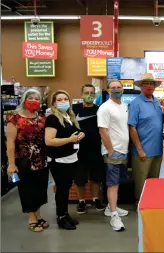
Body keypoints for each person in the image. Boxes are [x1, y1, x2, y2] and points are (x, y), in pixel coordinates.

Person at [6, 89, 49, 232]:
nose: (34, 100)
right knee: (27, 190)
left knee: (40, 189)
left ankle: (38, 215)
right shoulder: (15, 119)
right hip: (23, 161)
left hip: (41, 160)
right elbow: (10, 143)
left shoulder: (42, 118)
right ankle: (32, 218)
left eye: (37, 98)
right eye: (31, 98)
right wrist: (11, 164)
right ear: (24, 100)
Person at [45, 90, 85, 230]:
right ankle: (61, 217)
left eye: (65, 99)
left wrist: (80, 134)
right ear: (54, 103)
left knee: (66, 188)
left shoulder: (68, 116)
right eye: (59, 100)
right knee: (61, 189)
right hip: (59, 161)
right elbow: (49, 141)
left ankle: (65, 213)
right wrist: (70, 139)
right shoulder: (52, 118)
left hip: (71, 159)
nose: (63, 102)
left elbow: (72, 133)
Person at [98, 79, 129, 232]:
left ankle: (111, 208)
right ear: (108, 90)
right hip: (113, 151)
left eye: (119, 87)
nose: (116, 89)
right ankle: (114, 216)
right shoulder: (105, 108)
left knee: (117, 181)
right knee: (112, 183)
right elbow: (102, 131)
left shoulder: (124, 106)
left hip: (123, 150)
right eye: (113, 88)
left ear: (123, 89)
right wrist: (110, 150)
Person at [129, 73, 163, 201]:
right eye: (146, 84)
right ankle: (140, 207)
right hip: (142, 152)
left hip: (157, 150)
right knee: (141, 182)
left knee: (154, 181)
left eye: (151, 84)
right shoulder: (135, 103)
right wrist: (139, 149)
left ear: (155, 86)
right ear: (141, 86)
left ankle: (151, 205)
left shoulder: (157, 101)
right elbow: (132, 127)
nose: (149, 86)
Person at [72, 84, 106, 215]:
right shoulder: (74, 109)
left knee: (97, 178)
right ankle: (81, 201)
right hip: (79, 151)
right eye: (86, 92)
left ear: (95, 95)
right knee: (80, 179)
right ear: (81, 94)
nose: (89, 95)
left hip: (97, 149)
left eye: (92, 93)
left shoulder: (100, 109)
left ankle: (95, 199)